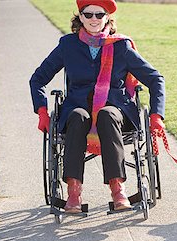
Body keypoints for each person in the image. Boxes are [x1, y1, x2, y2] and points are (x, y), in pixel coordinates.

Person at [30, 0, 165, 213]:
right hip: (78, 107)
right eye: (88, 14)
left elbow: (156, 79)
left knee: (107, 115)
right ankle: (74, 192)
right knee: (77, 117)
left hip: (115, 108)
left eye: (99, 15)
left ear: (107, 18)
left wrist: (156, 114)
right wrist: (42, 111)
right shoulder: (68, 45)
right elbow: (37, 79)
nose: (94, 19)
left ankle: (117, 188)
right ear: (80, 17)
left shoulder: (121, 46)